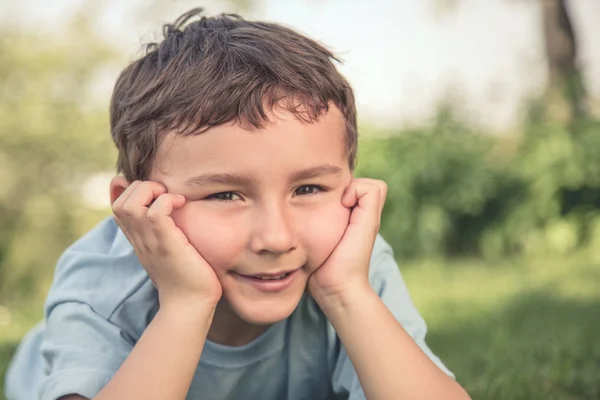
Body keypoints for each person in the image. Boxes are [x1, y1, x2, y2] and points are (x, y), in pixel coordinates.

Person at [4, 8, 470, 400]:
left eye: (308, 189)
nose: (276, 238)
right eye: (225, 194)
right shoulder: (101, 286)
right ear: (132, 207)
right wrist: (185, 304)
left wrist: (347, 294)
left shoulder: (347, 265)